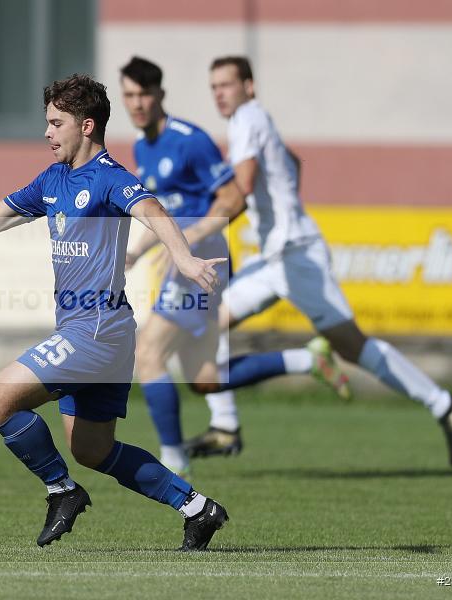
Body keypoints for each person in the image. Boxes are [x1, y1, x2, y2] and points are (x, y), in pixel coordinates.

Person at [0, 74, 229, 550]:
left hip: (96, 330)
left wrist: (183, 257)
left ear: (86, 125)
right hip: (99, 332)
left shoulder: (109, 177)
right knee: (92, 449)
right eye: (46, 123)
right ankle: (198, 509)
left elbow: (154, 211)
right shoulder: (53, 179)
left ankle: (62, 492)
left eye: (55, 123)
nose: (47, 133)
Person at [187, 56, 452, 466]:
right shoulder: (253, 121)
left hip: (297, 257)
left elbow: (242, 188)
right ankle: (226, 425)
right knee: (208, 326)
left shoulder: (248, 118)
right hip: (276, 259)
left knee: (354, 346)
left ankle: (446, 404)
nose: (219, 94)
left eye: (227, 85)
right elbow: (292, 163)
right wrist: (285, 205)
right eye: (214, 87)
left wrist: (193, 234)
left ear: (249, 86)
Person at [118, 56, 351, 475]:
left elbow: (231, 196)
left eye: (143, 94)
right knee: (205, 378)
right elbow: (163, 211)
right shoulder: (142, 147)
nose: (136, 104)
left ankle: (173, 461)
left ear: (160, 95)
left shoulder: (189, 140)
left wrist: (189, 242)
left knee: (149, 353)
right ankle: (307, 360)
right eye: (129, 95)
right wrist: (137, 252)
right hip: (180, 261)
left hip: (202, 261)